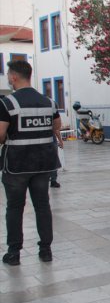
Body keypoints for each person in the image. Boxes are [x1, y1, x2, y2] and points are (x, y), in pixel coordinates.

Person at [0, 60, 61, 266]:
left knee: (15, 208)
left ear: (13, 77)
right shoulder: (49, 102)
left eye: (8, 75)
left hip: (17, 166)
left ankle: (14, 253)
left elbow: (1, 134)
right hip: (43, 164)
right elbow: (57, 125)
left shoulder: (8, 103)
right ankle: (46, 250)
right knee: (42, 206)